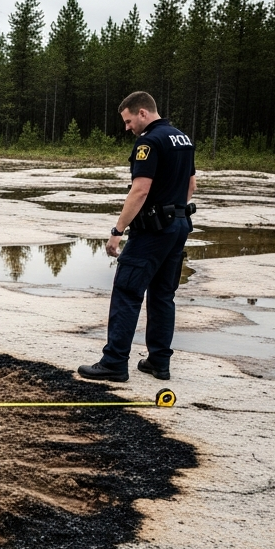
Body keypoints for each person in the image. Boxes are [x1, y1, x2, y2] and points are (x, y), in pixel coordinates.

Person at [78, 91, 197, 383]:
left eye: (129, 121)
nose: (127, 127)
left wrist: (117, 232)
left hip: (153, 230)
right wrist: (175, 211)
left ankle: (115, 362)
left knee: (127, 291)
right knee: (162, 295)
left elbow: (140, 190)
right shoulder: (182, 138)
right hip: (179, 224)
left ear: (142, 113)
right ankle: (159, 362)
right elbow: (191, 184)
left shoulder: (149, 142)